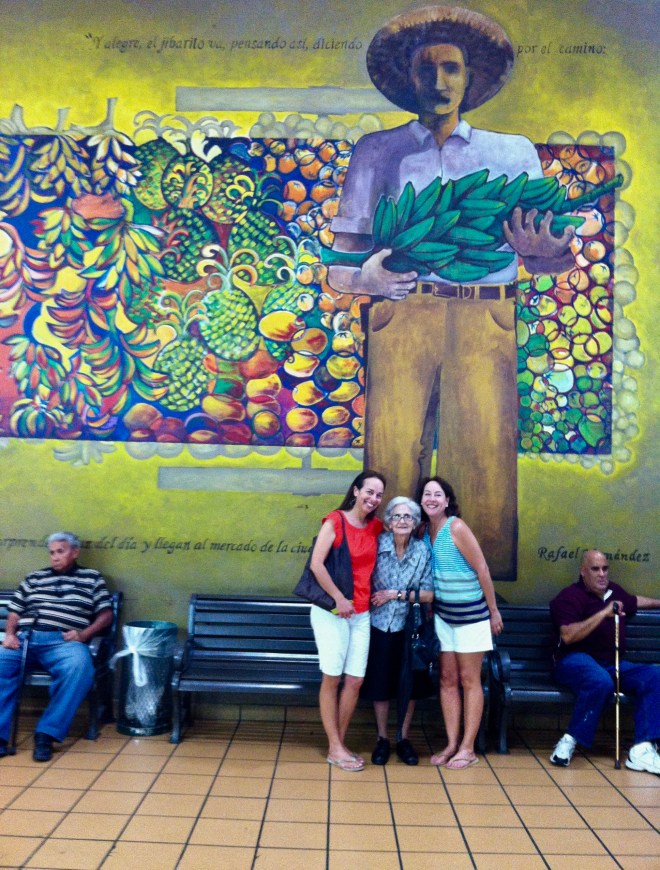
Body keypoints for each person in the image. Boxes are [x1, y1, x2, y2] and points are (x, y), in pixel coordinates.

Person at [328, 7, 575, 581]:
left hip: (485, 315)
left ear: (471, 79)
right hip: (402, 312)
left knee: (484, 458)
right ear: (408, 79)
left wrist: (543, 254)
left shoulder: (511, 152)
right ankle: (378, 580)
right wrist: (366, 281)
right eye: (426, 69)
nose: (438, 82)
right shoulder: (376, 151)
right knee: (390, 456)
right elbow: (340, 264)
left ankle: (472, 594)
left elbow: (552, 259)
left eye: (451, 69)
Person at [0, 532, 113, 762]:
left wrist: (83, 635)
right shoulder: (34, 578)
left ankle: (46, 734)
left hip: (64, 641)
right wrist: (9, 635)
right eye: (52, 552)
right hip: (27, 638)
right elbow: (15, 611)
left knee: (80, 669)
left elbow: (106, 615)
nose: (55, 557)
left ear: (75, 552)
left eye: (60, 551)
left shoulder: (92, 578)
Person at [549, 550, 660, 772]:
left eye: (605, 569)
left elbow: (635, 601)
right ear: (583, 572)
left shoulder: (614, 592)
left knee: (654, 676)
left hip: (611, 663)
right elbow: (568, 636)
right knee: (601, 681)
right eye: (595, 569)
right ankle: (570, 739)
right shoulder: (569, 597)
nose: (602, 574)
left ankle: (642, 749)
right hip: (573, 661)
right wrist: (603, 613)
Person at [420, 476, 503, 769]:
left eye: (437, 494)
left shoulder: (456, 527)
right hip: (443, 617)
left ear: (446, 501)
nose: (431, 498)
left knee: (470, 680)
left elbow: (482, 568)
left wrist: (493, 611)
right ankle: (452, 743)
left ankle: (468, 748)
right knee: (447, 680)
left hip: (471, 618)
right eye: (426, 494)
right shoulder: (424, 530)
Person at [309, 469, 386, 771]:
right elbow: (317, 564)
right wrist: (339, 599)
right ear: (356, 491)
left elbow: (402, 529)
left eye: (379, 495)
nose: (373, 498)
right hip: (332, 613)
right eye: (369, 491)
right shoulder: (335, 521)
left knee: (354, 679)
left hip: (362, 613)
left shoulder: (376, 526)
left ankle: (337, 745)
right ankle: (335, 747)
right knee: (332, 677)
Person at [361, 496, 433, 766]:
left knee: (409, 685)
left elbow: (428, 594)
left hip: (408, 627)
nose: (402, 521)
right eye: (396, 517)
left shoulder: (422, 551)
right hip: (377, 624)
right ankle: (382, 739)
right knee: (379, 683)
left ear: (415, 523)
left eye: (408, 517)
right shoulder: (376, 546)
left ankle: (402, 738)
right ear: (388, 523)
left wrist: (394, 594)